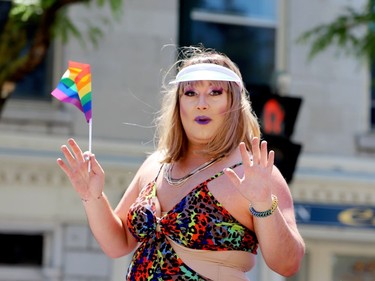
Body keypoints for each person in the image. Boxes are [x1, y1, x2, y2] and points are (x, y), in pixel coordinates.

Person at [57, 46, 305, 280]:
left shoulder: (252, 171)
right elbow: (118, 243)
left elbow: (287, 264)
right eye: (190, 93)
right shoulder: (156, 164)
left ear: (234, 104)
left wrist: (263, 204)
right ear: (178, 104)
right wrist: (93, 197)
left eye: (215, 92)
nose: (201, 103)